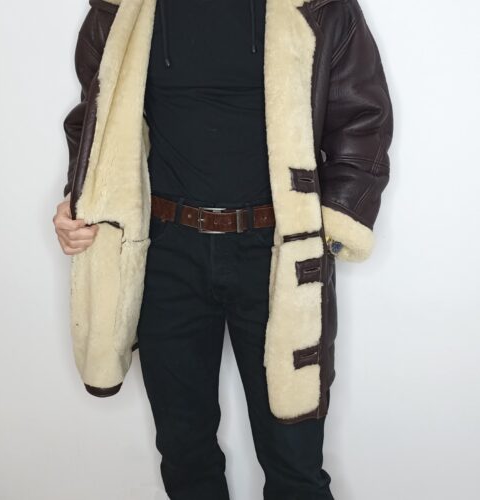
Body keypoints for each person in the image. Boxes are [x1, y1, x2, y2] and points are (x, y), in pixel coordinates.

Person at [53, 0, 393, 498]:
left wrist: (336, 222)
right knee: (184, 457)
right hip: (165, 255)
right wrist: (79, 200)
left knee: (295, 465)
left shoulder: (319, 6)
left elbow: (363, 119)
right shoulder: (121, 8)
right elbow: (95, 119)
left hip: (277, 256)